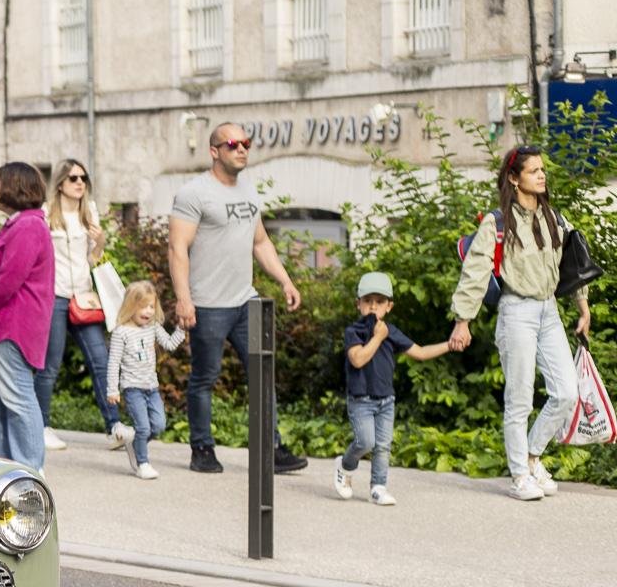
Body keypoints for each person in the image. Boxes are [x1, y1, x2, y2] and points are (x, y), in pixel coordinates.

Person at [448, 146, 591, 501]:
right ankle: (518, 474)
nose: (541, 175)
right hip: (516, 312)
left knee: (567, 392)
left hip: (549, 311)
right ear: (514, 178)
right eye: (533, 171)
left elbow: (574, 263)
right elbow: (474, 274)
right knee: (519, 399)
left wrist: (583, 306)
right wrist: (462, 321)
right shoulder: (495, 223)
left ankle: (531, 457)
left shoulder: (554, 218)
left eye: (543, 169)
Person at [169, 123, 309, 475]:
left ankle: (271, 448)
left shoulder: (249, 192)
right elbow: (177, 248)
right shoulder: (193, 193)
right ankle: (202, 448)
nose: (242, 149)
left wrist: (285, 282)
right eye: (233, 143)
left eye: (245, 143)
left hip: (247, 303)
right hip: (208, 304)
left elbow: (260, 243)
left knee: (262, 373)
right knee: (205, 377)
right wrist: (184, 298)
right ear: (214, 151)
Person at [0, 162, 55, 471]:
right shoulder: (19, 224)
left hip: (12, 325)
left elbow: (7, 281)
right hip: (0, 324)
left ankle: (29, 470)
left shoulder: (28, 226)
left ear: (13, 188)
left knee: (16, 398)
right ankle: (2, 467)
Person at [336, 272, 451, 506]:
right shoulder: (354, 332)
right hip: (361, 400)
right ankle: (345, 466)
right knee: (365, 443)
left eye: (379, 302)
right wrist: (378, 338)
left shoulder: (391, 331)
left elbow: (419, 352)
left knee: (383, 446)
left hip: (386, 400)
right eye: (368, 301)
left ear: (389, 306)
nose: (373, 307)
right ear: (358, 304)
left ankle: (377, 487)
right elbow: (357, 359)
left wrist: (450, 345)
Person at [38, 159, 128, 454]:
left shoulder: (91, 214)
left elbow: (95, 261)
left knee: (101, 361)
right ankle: (41, 427)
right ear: (61, 182)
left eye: (84, 178)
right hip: (54, 297)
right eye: (74, 177)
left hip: (85, 297)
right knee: (50, 365)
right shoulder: (45, 214)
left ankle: (113, 426)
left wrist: (100, 243)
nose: (80, 183)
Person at [104, 281, 185, 480]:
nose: (148, 311)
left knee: (158, 426)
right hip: (132, 389)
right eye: (143, 306)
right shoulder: (120, 332)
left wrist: (181, 329)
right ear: (131, 305)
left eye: (151, 306)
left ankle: (133, 445)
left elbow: (169, 343)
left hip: (152, 388)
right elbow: (113, 362)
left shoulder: (152, 327)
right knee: (143, 427)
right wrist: (112, 389)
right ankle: (142, 463)